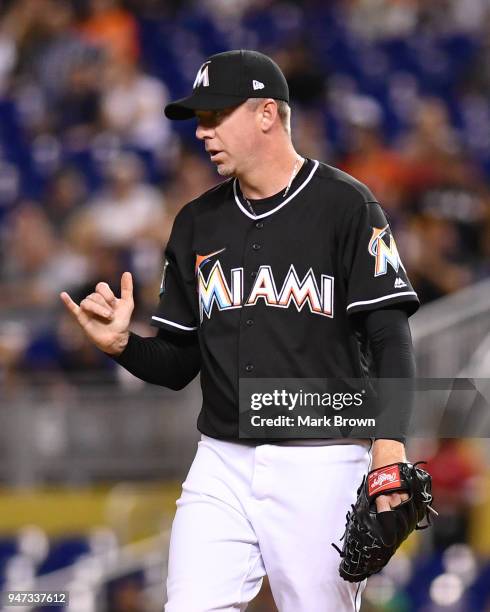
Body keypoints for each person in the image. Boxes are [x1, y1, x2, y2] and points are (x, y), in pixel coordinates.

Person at [61, 50, 419, 612]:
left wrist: (389, 448)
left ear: (267, 114)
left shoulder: (346, 205)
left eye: (215, 116)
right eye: (198, 120)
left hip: (321, 457)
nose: (202, 133)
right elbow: (180, 364)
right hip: (221, 460)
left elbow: (390, 337)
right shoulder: (196, 221)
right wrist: (123, 346)